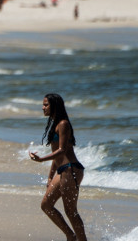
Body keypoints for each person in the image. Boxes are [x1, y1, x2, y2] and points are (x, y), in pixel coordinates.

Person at [29, 93, 87, 241]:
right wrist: (50, 176)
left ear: (54, 106)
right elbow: (56, 156)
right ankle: (70, 235)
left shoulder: (63, 124)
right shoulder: (55, 124)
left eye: (46, 105)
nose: (43, 108)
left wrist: (41, 160)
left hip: (71, 168)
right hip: (62, 170)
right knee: (46, 205)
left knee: (71, 211)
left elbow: (61, 150)